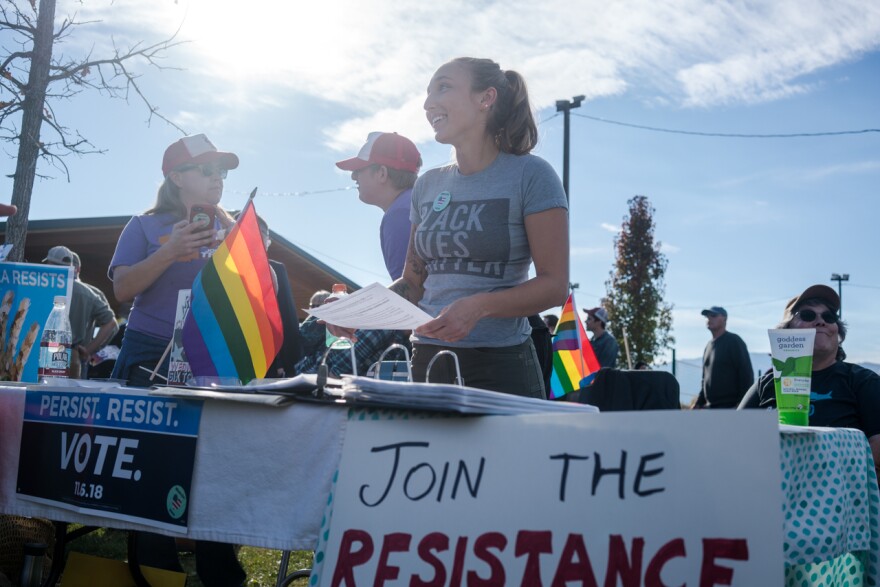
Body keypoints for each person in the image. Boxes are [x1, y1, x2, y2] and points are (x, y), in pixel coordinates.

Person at [331, 57, 569, 398]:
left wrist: (478, 307)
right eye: (428, 93)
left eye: (443, 87)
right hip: (426, 359)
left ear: (485, 98)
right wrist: (360, 310)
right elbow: (412, 283)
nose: (428, 103)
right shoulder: (427, 186)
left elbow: (554, 287)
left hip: (501, 367)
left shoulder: (532, 176)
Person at [107, 133, 246, 586]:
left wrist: (237, 235)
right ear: (176, 177)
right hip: (149, 350)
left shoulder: (230, 228)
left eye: (222, 171)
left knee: (212, 466)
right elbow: (123, 291)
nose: (217, 179)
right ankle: (155, 573)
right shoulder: (144, 226)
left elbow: (254, 288)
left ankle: (220, 573)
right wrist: (170, 251)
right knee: (147, 466)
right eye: (206, 170)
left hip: (210, 352)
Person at [739, 284, 880, 470]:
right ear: (786, 333)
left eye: (829, 317)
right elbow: (735, 440)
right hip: (772, 490)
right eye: (807, 315)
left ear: (837, 331)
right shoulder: (766, 384)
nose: (821, 321)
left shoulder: (863, 381)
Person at [336, 132, 422, 280]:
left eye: (359, 170)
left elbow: (410, 291)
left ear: (382, 173)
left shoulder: (399, 215)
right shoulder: (418, 202)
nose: (353, 176)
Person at [239, 212, 304, 377]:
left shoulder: (276, 270)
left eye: (265, 237)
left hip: (266, 358)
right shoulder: (218, 269)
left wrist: (285, 362)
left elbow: (286, 319)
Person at [42, 245, 118, 379]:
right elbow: (111, 323)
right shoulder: (88, 293)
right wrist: (89, 350)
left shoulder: (41, 286)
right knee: (68, 397)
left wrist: (88, 350)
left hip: (44, 352)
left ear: (49, 264)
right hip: (73, 356)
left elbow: (111, 323)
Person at [694, 305, 753, 409]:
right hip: (710, 408)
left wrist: (742, 403)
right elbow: (705, 379)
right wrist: (698, 403)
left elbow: (746, 374)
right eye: (707, 316)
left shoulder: (734, 341)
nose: (709, 319)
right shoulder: (708, 346)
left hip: (730, 407)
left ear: (724, 318)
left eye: (713, 315)